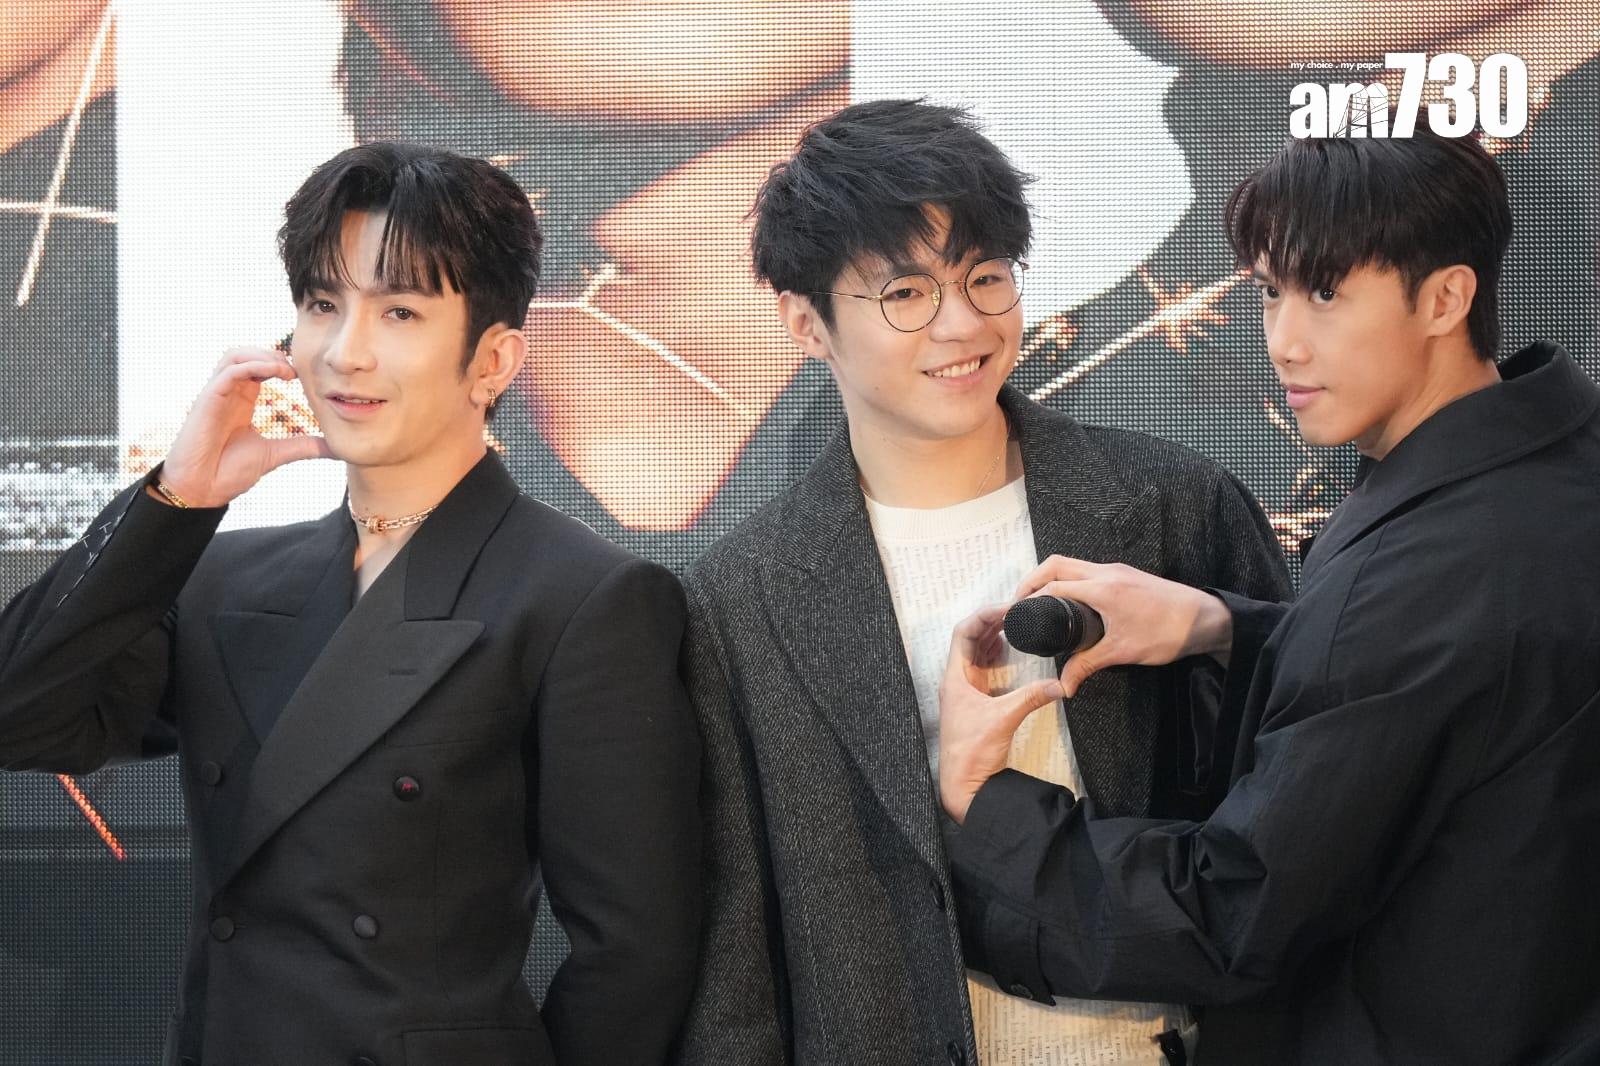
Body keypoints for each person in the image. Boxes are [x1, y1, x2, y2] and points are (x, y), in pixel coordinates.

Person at [0, 142, 701, 1066]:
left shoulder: (583, 597)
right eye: (322, 304)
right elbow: (21, 715)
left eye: (399, 311)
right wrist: (176, 501)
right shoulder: (226, 579)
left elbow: (637, 956)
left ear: (493, 360)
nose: (344, 351)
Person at [938, 129, 1600, 1064]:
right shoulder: (1555, 466)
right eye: (1268, 291)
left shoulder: (1422, 578)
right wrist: (1223, 627)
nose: (1283, 342)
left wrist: (988, 805)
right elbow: (1459, 696)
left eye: (1326, 294)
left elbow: (1229, 916)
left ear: (1446, 298)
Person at [675, 99, 1289, 1066]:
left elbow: (1295, 811)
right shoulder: (737, 597)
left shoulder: (1175, 508)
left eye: (985, 278)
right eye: (905, 294)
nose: (961, 324)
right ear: (806, 322)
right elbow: (734, 950)